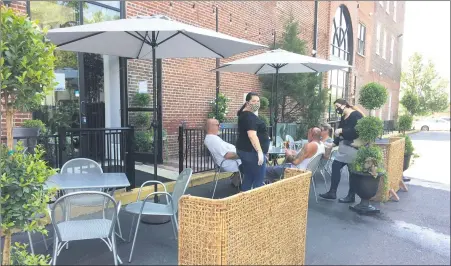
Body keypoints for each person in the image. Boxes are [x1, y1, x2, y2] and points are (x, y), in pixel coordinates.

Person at [319, 98, 364, 203]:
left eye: (337, 106)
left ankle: (350, 195)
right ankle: (333, 192)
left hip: (352, 147)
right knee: (336, 166)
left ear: (345, 105)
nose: (336, 109)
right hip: (344, 148)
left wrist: (342, 130)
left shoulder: (356, 115)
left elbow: (356, 131)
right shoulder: (344, 117)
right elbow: (340, 133)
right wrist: (333, 144)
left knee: (351, 171)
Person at [236, 92, 270, 191]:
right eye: (253, 101)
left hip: (246, 151)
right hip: (252, 152)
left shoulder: (244, 114)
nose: (256, 103)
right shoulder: (249, 117)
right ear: (247, 103)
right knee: (258, 179)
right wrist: (259, 152)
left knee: (249, 177)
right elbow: (252, 135)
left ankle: (245, 201)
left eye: (258, 101)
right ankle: (256, 203)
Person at [204, 118, 242, 187]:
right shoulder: (214, 140)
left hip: (226, 162)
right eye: (218, 125)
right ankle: (248, 186)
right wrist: (242, 154)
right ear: (211, 126)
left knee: (250, 158)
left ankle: (236, 180)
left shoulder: (211, 138)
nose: (219, 127)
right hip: (227, 163)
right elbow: (227, 155)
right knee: (251, 160)